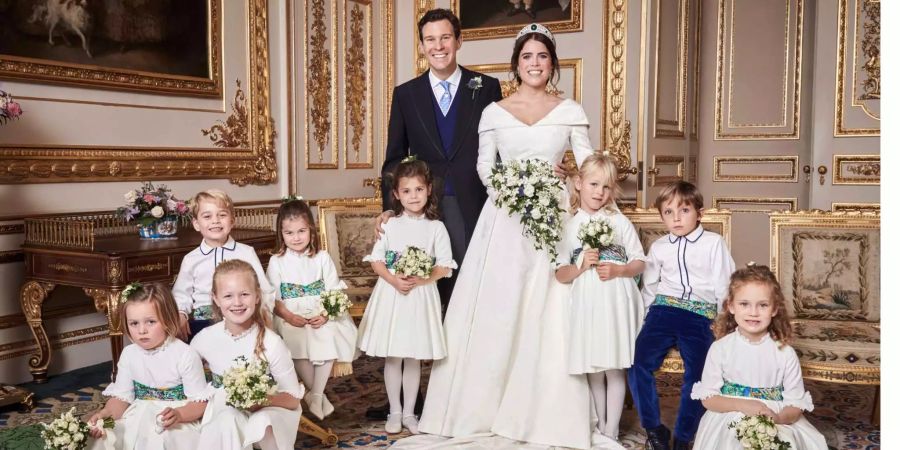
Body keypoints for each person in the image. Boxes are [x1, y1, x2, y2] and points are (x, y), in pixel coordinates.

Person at [397, 23, 597, 450]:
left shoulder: (570, 111)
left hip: (553, 217)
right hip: (504, 218)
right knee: (499, 308)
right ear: (516, 64)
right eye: (527, 57)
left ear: (552, 63)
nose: (535, 64)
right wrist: (513, 193)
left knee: (549, 306)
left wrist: (572, 176)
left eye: (542, 56)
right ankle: (483, 405)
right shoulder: (494, 111)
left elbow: (590, 166)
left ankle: (545, 406)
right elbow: (485, 167)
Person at [378, 8, 502, 307]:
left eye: (445, 37)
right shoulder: (406, 94)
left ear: (458, 41)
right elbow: (394, 159)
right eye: (430, 39)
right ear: (421, 46)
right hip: (423, 206)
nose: (438, 46)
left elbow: (503, 148)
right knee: (428, 284)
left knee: (470, 283)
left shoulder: (486, 88)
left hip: (473, 202)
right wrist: (389, 208)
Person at [627, 181, 737, 450]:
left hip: (700, 315)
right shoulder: (659, 246)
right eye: (668, 212)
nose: (676, 218)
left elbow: (725, 284)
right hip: (663, 311)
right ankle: (654, 429)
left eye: (684, 210)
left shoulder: (714, 243)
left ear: (699, 212)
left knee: (699, 372)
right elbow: (650, 287)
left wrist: (724, 321)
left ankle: (683, 436)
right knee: (637, 361)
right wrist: (641, 322)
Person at [358, 158, 454, 435]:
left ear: (428, 192)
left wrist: (422, 278)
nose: (414, 196)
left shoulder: (436, 228)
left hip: (420, 297)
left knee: (413, 356)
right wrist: (393, 279)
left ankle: (411, 413)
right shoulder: (389, 225)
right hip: (393, 296)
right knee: (394, 356)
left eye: (419, 190)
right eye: (407, 191)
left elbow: (445, 265)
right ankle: (395, 410)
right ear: (396, 195)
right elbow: (377, 261)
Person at [554, 154, 646, 444]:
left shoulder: (617, 221)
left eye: (606, 187)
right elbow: (559, 273)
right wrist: (581, 266)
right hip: (586, 303)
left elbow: (640, 261)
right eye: (594, 184)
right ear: (579, 183)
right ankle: (602, 422)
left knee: (614, 367)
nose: (600, 192)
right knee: (594, 367)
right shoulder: (569, 226)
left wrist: (620, 270)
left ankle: (611, 430)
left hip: (615, 300)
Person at [690, 265, 827, 449]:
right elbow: (709, 399)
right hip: (730, 413)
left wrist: (778, 419)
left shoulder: (785, 353)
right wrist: (745, 406)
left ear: (774, 309)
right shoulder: (720, 348)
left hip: (774, 416)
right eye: (744, 304)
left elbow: (795, 406)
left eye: (762, 305)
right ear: (730, 306)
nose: (753, 312)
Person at [191, 260, 303, 450]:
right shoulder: (204, 339)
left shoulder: (272, 342)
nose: (237, 303)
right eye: (228, 296)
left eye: (244, 294)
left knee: (262, 421)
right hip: (224, 411)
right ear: (216, 299)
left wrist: (262, 402)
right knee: (228, 418)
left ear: (257, 296)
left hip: (269, 409)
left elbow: (292, 397)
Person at [87, 282, 211, 449]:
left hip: (174, 419)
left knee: (160, 438)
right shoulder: (129, 354)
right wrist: (105, 415)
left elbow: (199, 404)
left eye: (151, 322)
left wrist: (179, 414)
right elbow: (121, 399)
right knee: (107, 436)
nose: (142, 330)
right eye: (134, 323)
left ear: (168, 319)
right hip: (137, 416)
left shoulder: (185, 355)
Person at [266, 197, 357, 420]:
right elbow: (272, 298)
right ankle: (317, 396)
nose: (296, 238)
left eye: (301, 231)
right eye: (289, 233)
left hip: (320, 311)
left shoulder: (322, 258)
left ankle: (314, 395)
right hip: (290, 314)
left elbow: (335, 290)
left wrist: (326, 315)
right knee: (294, 339)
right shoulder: (277, 262)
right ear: (281, 233)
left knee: (327, 334)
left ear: (311, 231)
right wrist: (288, 315)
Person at [172, 189, 274, 340]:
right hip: (203, 323)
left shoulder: (246, 252)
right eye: (207, 216)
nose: (215, 221)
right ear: (196, 224)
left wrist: (264, 316)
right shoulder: (191, 259)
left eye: (222, 215)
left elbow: (264, 290)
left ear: (232, 221)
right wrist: (181, 313)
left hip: (242, 318)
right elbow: (181, 294)